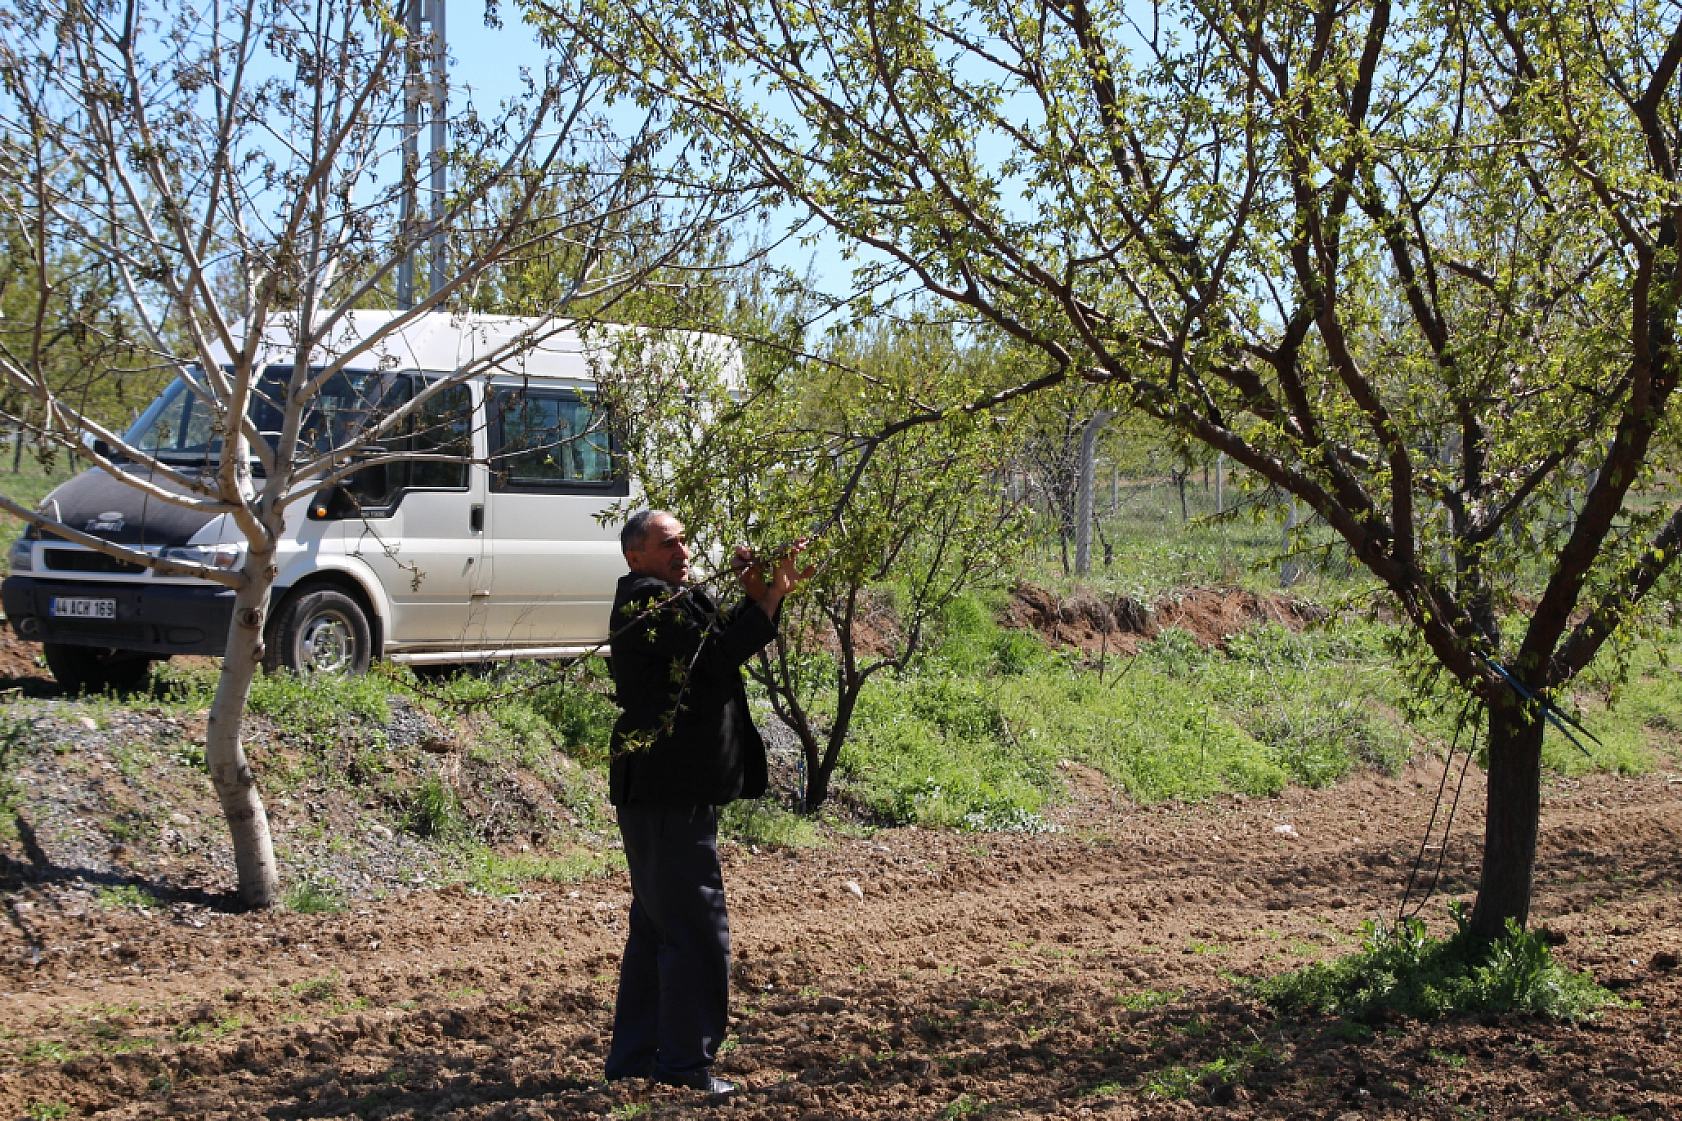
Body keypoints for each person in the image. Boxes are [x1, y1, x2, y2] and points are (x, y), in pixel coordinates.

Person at [602, 509, 811, 1094]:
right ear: (634, 556)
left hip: (667, 790)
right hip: (665, 790)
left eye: (684, 541)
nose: (682, 550)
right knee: (695, 928)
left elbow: (719, 644)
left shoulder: (672, 597)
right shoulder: (647, 602)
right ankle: (684, 1067)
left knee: (657, 927)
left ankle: (636, 1061)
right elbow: (716, 658)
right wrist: (766, 599)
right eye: (667, 544)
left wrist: (759, 594)